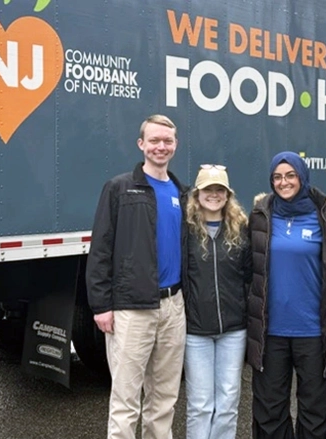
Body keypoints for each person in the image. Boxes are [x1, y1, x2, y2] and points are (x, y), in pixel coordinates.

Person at [86, 114, 188, 439]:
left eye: (167, 141)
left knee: (164, 399)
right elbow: (100, 248)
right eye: (154, 140)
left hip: (173, 307)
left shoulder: (181, 193)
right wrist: (101, 305)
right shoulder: (119, 188)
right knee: (125, 400)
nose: (161, 146)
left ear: (175, 145)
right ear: (141, 144)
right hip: (132, 309)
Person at [246, 151, 326, 439]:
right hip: (269, 332)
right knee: (269, 410)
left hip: (314, 332)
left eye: (290, 175)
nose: (283, 182)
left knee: (317, 411)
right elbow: (247, 269)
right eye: (277, 176)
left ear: (302, 176)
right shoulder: (261, 216)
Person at [182, 164, 252, 439]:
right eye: (207, 189)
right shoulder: (185, 231)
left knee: (228, 402)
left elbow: (249, 275)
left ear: (227, 195)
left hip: (233, 331)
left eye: (219, 189)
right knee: (200, 405)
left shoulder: (241, 229)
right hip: (196, 331)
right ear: (197, 194)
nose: (214, 195)